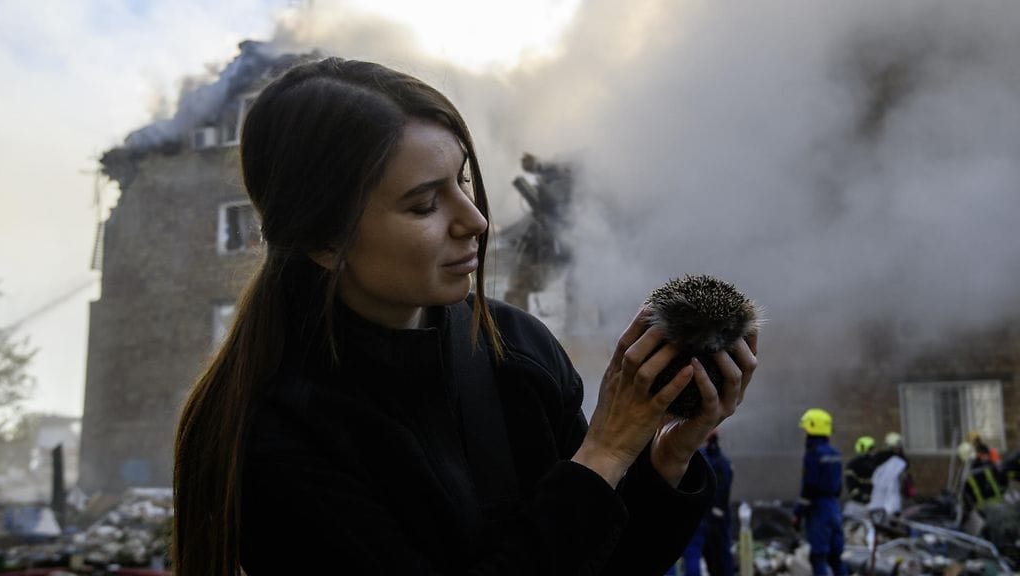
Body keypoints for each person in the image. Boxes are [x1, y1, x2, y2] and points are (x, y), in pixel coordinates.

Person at [170, 58, 759, 575]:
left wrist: (667, 455)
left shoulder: (517, 348)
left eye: (463, 181)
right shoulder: (277, 438)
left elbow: (610, 561)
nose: (475, 220)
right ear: (325, 240)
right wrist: (602, 453)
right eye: (424, 203)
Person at [793, 408, 847, 576]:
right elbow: (839, 487)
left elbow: (809, 486)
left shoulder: (812, 454)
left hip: (818, 510)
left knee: (818, 556)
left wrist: (798, 513)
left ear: (812, 429)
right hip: (834, 507)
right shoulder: (835, 453)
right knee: (836, 557)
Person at [678, 430, 735, 576]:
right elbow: (723, 493)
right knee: (719, 558)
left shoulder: (695, 460)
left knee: (693, 555)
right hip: (715, 519)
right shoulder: (723, 462)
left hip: (697, 516)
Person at [868, 432, 912, 518]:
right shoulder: (897, 459)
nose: (900, 448)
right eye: (898, 445)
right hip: (889, 493)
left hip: (883, 493)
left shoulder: (879, 457)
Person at [843, 435, 877, 518]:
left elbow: (851, 486)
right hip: (868, 504)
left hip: (858, 504)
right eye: (872, 448)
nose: (874, 451)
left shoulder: (852, 464)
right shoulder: (875, 464)